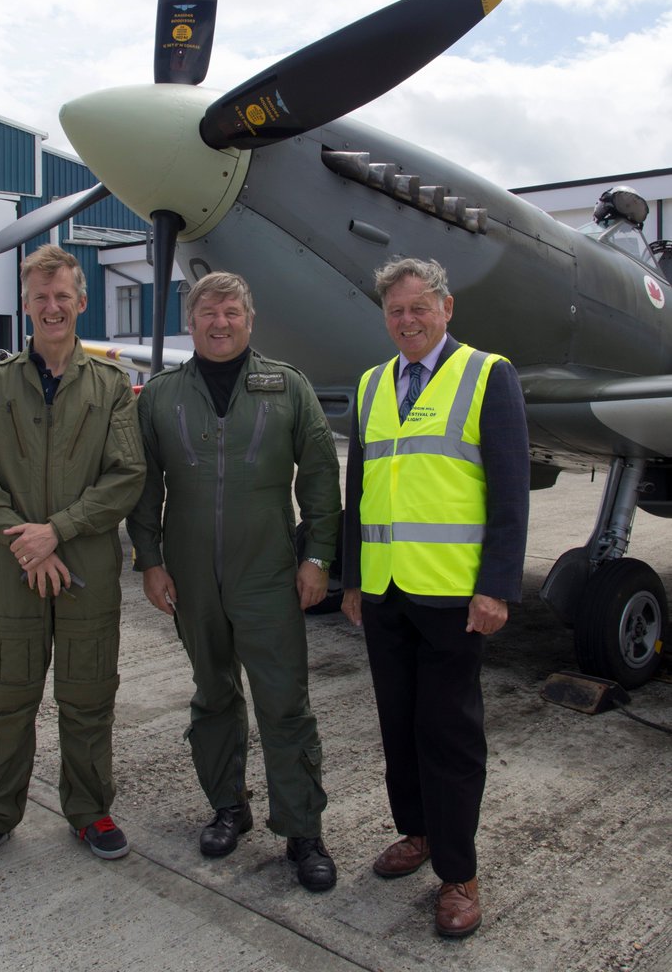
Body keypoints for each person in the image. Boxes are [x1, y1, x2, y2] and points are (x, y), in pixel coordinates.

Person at [127, 271, 342, 891]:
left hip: (268, 574)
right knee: (212, 694)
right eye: (207, 313)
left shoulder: (288, 387)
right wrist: (149, 559)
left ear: (251, 320)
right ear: (189, 322)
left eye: (231, 312)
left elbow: (321, 479)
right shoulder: (160, 396)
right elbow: (146, 486)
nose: (219, 323)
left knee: (284, 703)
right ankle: (229, 806)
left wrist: (317, 556)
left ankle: (302, 830)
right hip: (191, 576)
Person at [342, 257, 529, 938]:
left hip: (455, 596)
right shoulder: (370, 384)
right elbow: (358, 491)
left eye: (420, 307)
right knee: (399, 726)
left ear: (446, 308)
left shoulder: (487, 375)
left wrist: (498, 586)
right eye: (395, 310)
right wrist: (355, 578)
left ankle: (459, 874)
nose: (408, 321)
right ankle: (417, 833)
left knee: (449, 736)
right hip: (387, 593)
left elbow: (509, 491)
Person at [0, 244, 146, 872]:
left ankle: (90, 811)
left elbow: (125, 477)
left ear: (81, 301)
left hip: (84, 572)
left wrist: (55, 532)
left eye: (62, 295)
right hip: (14, 573)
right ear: (25, 303)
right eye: (40, 296)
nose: (52, 306)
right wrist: (25, 541)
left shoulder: (113, 387)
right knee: (6, 698)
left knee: (89, 698)